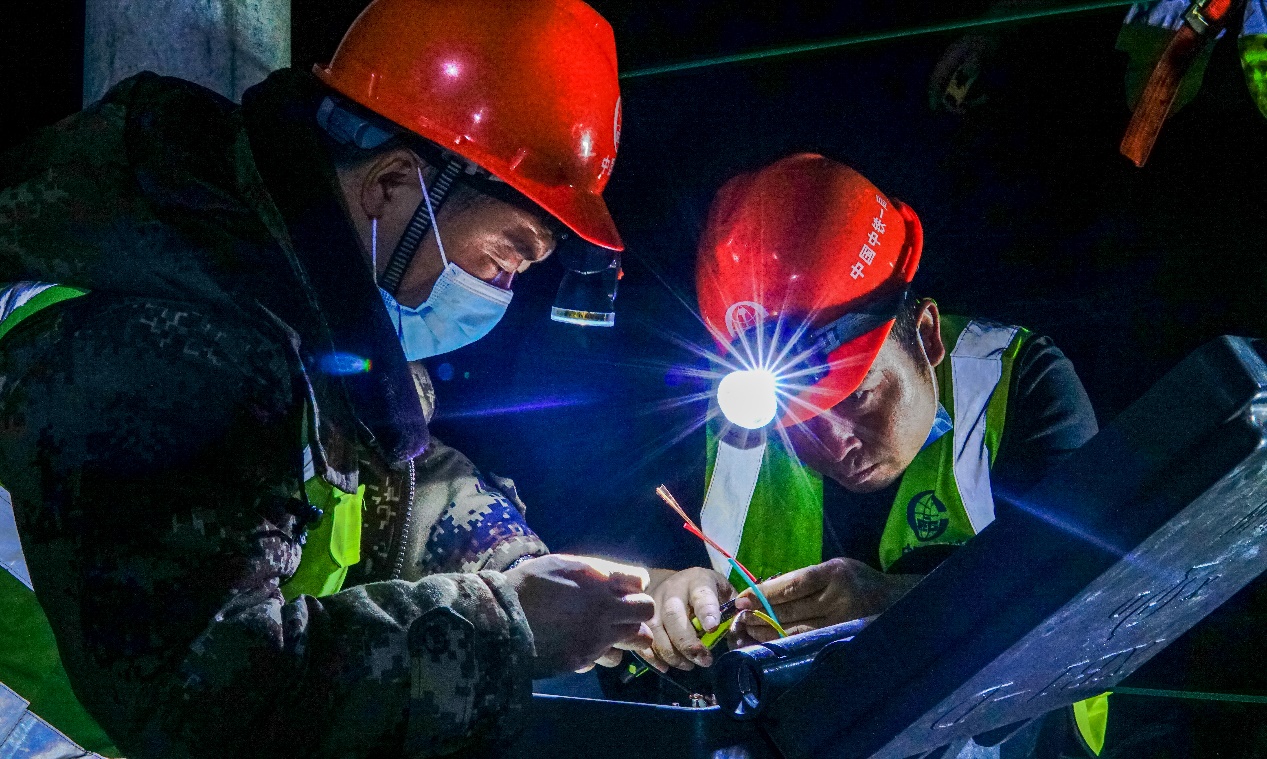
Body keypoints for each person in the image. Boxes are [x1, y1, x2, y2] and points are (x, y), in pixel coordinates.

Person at [0, 1, 654, 757]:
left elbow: (390, 481)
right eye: (502, 258)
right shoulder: (169, 347)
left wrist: (524, 567)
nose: (498, 294)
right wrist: (507, 626)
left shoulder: (284, 298)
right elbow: (218, 700)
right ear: (391, 185)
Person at [641, 153, 1104, 754]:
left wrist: (897, 610)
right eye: (798, 416)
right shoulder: (725, 424)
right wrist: (666, 591)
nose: (836, 441)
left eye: (859, 395)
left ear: (927, 337)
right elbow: (630, 569)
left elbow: (1092, 607)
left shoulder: (1020, 385)